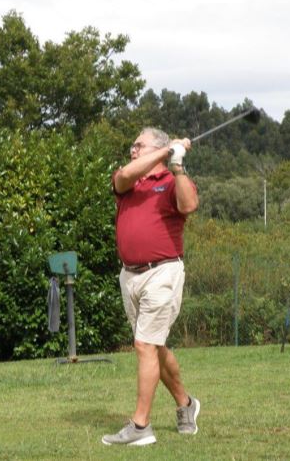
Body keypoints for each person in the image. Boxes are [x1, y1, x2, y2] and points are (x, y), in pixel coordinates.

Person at [102, 128, 200, 446]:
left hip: (163, 272)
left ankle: (141, 427)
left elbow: (188, 205)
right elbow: (123, 176)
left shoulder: (171, 182)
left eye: (138, 145)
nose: (132, 150)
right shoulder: (130, 183)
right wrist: (166, 150)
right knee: (153, 347)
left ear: (157, 147)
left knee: (144, 345)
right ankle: (186, 404)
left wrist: (178, 166)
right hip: (129, 275)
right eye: (132, 145)